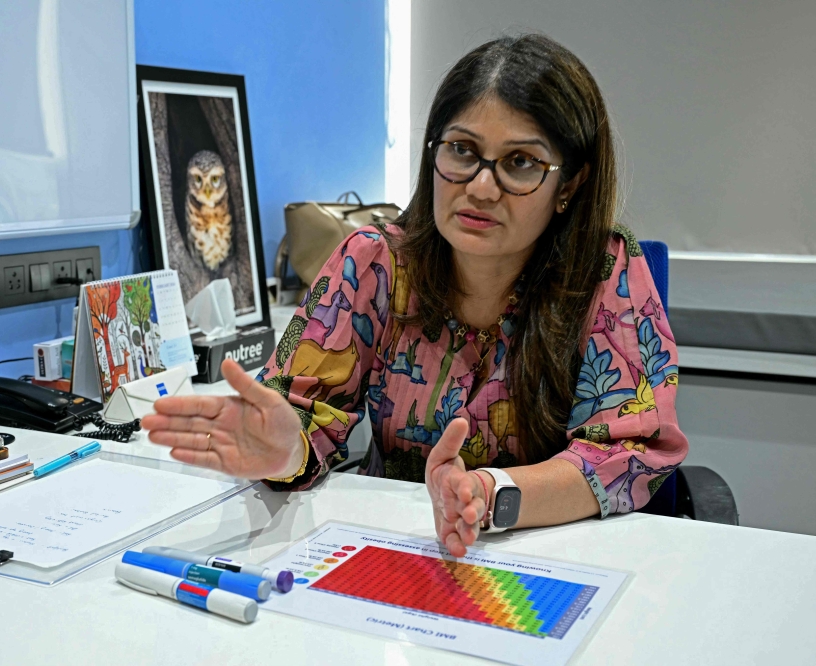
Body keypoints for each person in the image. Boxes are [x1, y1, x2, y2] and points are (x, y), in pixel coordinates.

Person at [142, 34, 688, 557]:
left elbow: (627, 452)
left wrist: (489, 494)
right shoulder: (372, 263)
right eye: (462, 150)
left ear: (568, 185)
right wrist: (287, 449)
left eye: (520, 162)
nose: (479, 186)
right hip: (400, 550)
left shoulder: (604, 271)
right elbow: (301, 423)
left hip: (551, 559)